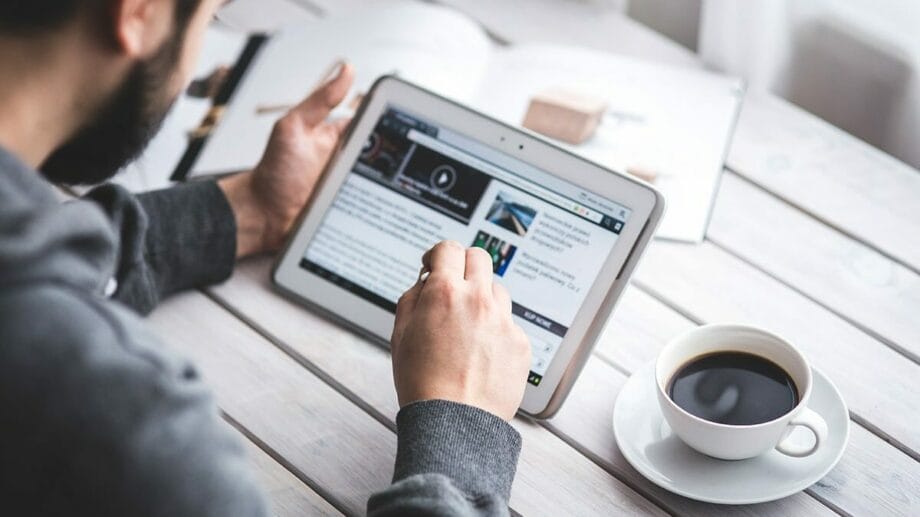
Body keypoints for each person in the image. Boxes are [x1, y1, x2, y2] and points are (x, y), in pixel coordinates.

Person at [0, 1, 532, 515]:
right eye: (213, 15)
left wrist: (248, 209)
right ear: (137, 10)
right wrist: (461, 428)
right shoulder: (137, 442)